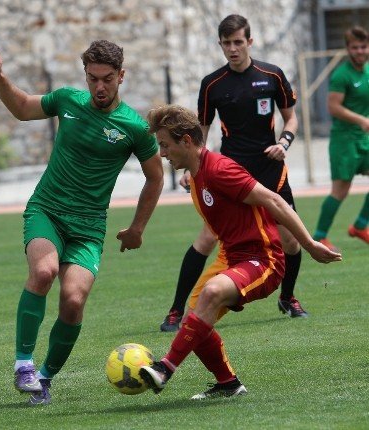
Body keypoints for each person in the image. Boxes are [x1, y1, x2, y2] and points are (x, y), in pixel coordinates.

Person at [0, 40, 164, 405]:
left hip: (89, 227)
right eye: (93, 78)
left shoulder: (134, 127)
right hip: (46, 210)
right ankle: (23, 364)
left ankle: (45, 377)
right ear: (85, 76)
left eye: (107, 79)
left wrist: (137, 228)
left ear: (121, 77)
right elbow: (20, 107)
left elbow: (155, 177)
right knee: (45, 271)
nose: (99, 86)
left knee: (74, 299)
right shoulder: (67, 101)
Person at [140, 104, 341, 399]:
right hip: (236, 260)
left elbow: (275, 201)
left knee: (209, 294)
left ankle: (164, 369)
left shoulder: (221, 169)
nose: (163, 153)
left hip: (265, 260)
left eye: (165, 145)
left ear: (186, 141)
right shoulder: (196, 175)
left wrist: (310, 245)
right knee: (193, 323)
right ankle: (228, 384)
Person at [160, 14, 307, 332]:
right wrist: (191, 167)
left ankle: (289, 297)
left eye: (238, 42)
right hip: (231, 172)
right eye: (226, 43)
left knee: (291, 240)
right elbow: (200, 132)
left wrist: (284, 142)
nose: (233, 48)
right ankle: (174, 310)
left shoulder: (272, 75)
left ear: (249, 41)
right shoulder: (212, 83)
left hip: (270, 169)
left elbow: (291, 119)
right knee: (208, 238)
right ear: (220, 45)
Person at [312, 25, 369, 250]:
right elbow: (333, 107)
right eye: (355, 47)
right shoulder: (341, 75)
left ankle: (360, 225)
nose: (360, 51)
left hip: (363, 138)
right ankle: (320, 235)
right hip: (344, 141)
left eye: (363, 47)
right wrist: (361, 120)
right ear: (347, 49)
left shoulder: (367, 71)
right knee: (341, 190)